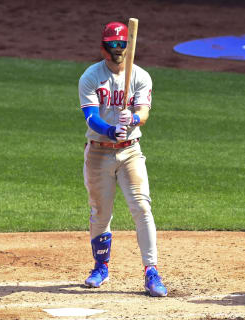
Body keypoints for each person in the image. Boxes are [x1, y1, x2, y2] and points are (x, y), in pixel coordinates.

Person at [77, 21, 167, 297]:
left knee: (142, 207)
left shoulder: (141, 76)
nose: (117, 49)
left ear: (128, 46)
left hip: (130, 152)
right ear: (103, 47)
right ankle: (101, 267)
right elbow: (90, 115)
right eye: (112, 45)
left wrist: (135, 117)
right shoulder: (91, 77)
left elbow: (144, 110)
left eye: (121, 44)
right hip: (99, 150)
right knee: (100, 213)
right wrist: (108, 129)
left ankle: (151, 271)